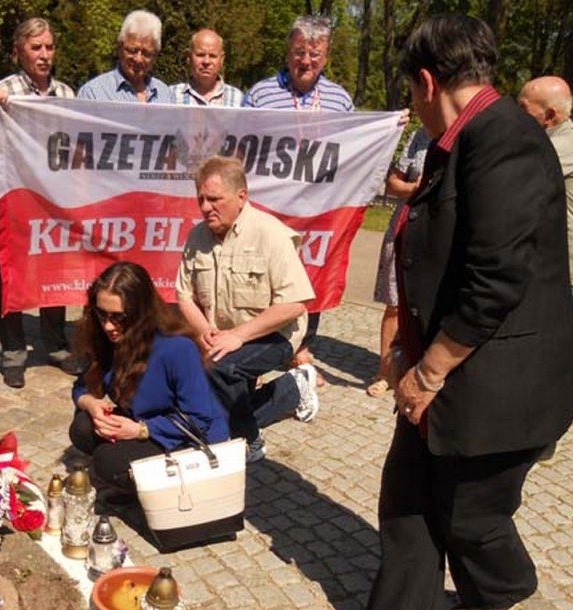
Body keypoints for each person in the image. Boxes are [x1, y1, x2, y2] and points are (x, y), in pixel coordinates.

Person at [337, 14, 573, 610]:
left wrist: (429, 372)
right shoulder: (464, 139)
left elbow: (495, 276)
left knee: (469, 514)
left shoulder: (504, 139)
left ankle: (503, 582)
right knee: (409, 491)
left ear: (425, 80)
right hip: (447, 369)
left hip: (494, 385)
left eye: (409, 92)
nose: (410, 104)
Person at [176, 156, 319, 464]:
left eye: (214, 199)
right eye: (200, 199)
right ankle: (294, 388)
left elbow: (295, 303)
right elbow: (184, 295)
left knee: (219, 370)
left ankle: (249, 439)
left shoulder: (271, 234)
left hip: (275, 334)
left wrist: (237, 337)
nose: (204, 207)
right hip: (224, 338)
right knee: (193, 386)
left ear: (242, 197)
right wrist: (205, 332)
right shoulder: (197, 237)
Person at [244, 15, 355, 380]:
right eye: (299, 52)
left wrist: (388, 129)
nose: (305, 60)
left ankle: (302, 348)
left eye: (314, 53)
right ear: (288, 51)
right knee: (261, 275)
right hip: (267, 205)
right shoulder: (260, 94)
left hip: (316, 209)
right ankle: (252, 352)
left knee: (311, 275)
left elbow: (355, 147)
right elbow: (238, 142)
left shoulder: (339, 99)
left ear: (325, 56)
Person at [0, 18, 81, 389]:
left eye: (49, 47)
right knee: (10, 277)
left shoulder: (67, 95)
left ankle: (55, 344)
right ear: (19, 51)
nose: (45, 55)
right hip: (14, 203)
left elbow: (78, 152)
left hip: (55, 205)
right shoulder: (2, 93)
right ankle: (13, 352)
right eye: (36, 48)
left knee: (56, 274)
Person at [69, 261, 229, 496]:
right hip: (144, 420)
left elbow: (198, 418)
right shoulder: (107, 339)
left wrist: (140, 431)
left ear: (140, 313)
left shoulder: (177, 348)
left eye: (118, 317)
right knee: (83, 426)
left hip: (188, 436)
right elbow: (82, 387)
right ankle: (138, 478)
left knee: (109, 462)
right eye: (101, 314)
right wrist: (91, 403)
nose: (108, 326)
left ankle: (152, 487)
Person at [518, 76, 573, 356]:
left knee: (563, 362)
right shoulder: (547, 142)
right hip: (553, 270)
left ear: (550, 115)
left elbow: (515, 176)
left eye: (523, 109)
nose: (516, 115)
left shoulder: (568, 145)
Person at [367, 127, 431, 397]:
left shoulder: (470, 132)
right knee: (394, 303)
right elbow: (393, 183)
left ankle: (425, 371)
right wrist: (415, 188)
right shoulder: (420, 135)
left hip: (440, 227)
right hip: (406, 221)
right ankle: (386, 372)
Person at [77, 10, 174, 104]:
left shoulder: (165, 95)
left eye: (146, 53)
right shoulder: (93, 94)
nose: (138, 59)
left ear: (155, 55)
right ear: (120, 47)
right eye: (132, 51)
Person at [172, 29, 244, 107]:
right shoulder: (172, 96)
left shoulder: (238, 99)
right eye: (200, 55)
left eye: (213, 56)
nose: (206, 61)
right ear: (189, 57)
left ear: (221, 59)